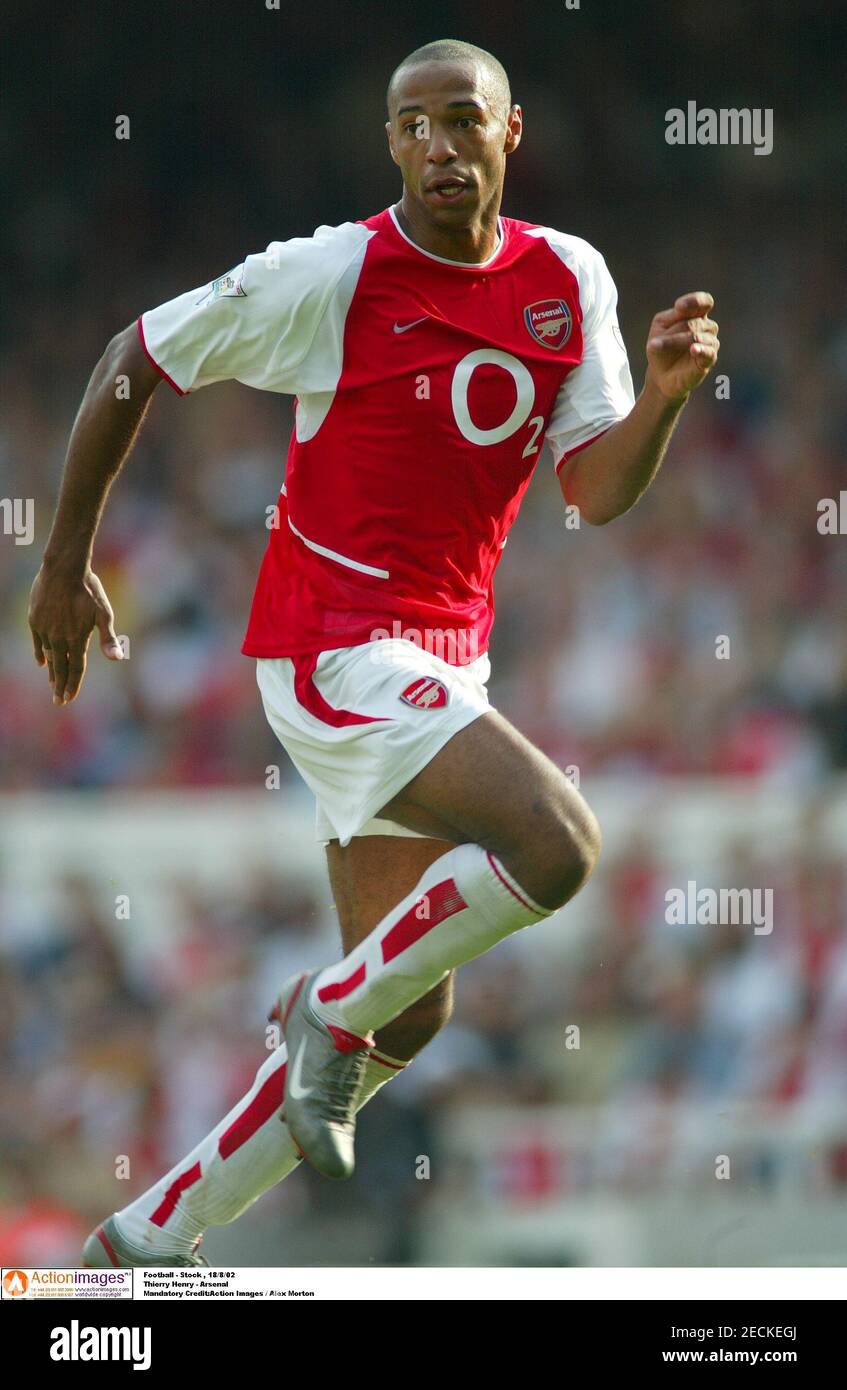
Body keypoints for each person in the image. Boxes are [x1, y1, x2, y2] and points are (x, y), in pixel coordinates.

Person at [28, 38, 719, 1267]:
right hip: (330, 643)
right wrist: (62, 561)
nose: (440, 146)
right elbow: (132, 360)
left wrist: (660, 397)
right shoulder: (332, 274)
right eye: (414, 126)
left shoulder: (568, 277)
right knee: (556, 845)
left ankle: (147, 1237)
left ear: (512, 132)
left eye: (464, 120)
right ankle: (325, 1015)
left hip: (444, 656)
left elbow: (595, 490)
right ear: (390, 143)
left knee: (416, 1008)